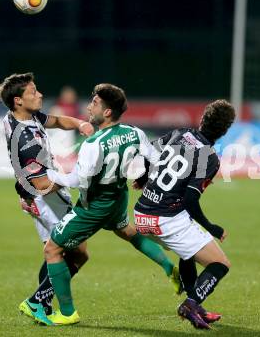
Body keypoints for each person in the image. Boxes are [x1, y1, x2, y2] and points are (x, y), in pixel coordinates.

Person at [44, 83, 180, 325]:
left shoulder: (93, 144)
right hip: (118, 196)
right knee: (127, 231)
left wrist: (52, 177)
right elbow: (156, 159)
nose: (88, 106)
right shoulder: (135, 132)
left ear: (107, 112)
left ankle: (67, 313)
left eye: (94, 103)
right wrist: (144, 178)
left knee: (52, 250)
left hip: (94, 205)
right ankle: (169, 266)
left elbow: (78, 181)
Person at [0, 72, 95, 325]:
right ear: (18, 100)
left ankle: (41, 303)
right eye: (33, 92)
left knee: (54, 250)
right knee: (77, 253)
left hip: (35, 197)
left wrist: (79, 123)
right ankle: (36, 301)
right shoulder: (27, 141)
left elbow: (56, 120)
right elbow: (41, 184)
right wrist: (78, 180)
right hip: (45, 199)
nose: (39, 94)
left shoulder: (20, 117)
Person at [133, 99, 235, 329]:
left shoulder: (179, 133)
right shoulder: (209, 157)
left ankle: (197, 307)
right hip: (166, 219)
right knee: (220, 264)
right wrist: (211, 227)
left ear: (202, 119)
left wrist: (142, 179)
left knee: (187, 253)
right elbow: (190, 198)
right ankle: (191, 303)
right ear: (225, 130)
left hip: (141, 214)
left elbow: (147, 152)